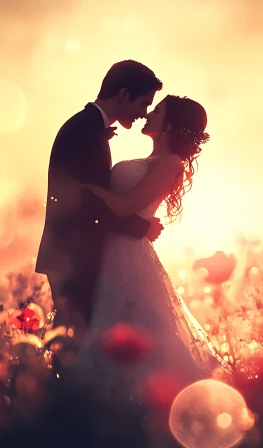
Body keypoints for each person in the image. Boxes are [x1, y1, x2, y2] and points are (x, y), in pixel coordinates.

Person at [78, 95, 226, 401]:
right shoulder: (153, 160)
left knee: (126, 327)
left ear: (169, 124)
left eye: (157, 110)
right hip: (113, 247)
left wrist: (86, 189)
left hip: (127, 255)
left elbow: (125, 206)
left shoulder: (170, 163)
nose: (148, 114)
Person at [35, 60, 165, 345]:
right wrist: (139, 227)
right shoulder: (85, 130)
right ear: (123, 95)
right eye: (143, 103)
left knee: (75, 336)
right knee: (72, 337)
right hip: (72, 253)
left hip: (74, 251)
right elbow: (83, 201)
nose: (144, 113)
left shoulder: (89, 127)